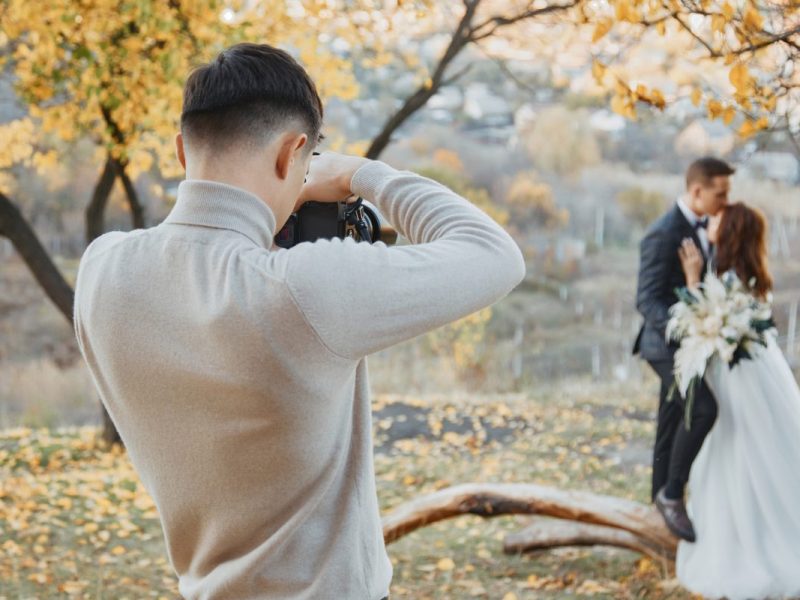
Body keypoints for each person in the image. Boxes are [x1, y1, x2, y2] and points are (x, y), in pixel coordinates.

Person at [72, 43, 525, 599]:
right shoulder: (299, 287)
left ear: (182, 154)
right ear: (293, 155)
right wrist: (363, 174)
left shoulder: (102, 270)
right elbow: (494, 254)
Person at [674, 202, 800, 599]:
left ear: (729, 232)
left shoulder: (728, 277)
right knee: (760, 451)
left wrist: (693, 281)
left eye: (717, 219)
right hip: (759, 372)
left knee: (735, 453)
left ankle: (746, 545)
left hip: (737, 377)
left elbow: (703, 318)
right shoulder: (754, 275)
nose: (709, 221)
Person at [633, 157, 734, 541]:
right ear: (697, 191)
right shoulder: (663, 233)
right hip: (665, 346)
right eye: (719, 193)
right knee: (703, 409)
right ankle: (673, 494)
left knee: (671, 419)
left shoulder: (708, 227)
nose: (724, 201)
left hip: (693, 344)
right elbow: (647, 300)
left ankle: (657, 511)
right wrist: (688, 330)